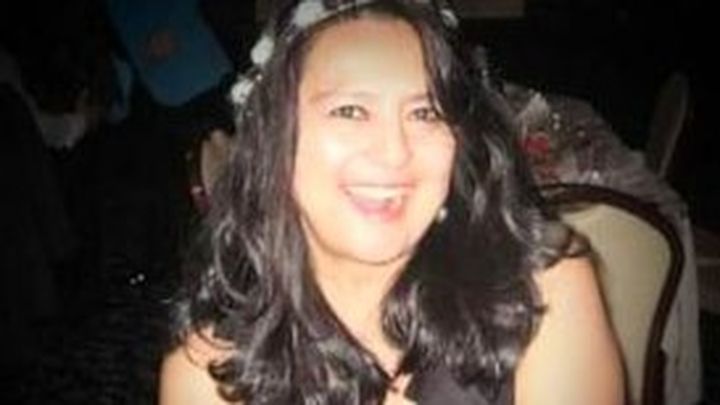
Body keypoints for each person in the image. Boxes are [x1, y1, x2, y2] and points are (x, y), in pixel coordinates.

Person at [160, 0, 624, 404]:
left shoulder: (543, 294)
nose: (394, 152)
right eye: (350, 110)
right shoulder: (210, 373)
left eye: (424, 113)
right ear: (274, 142)